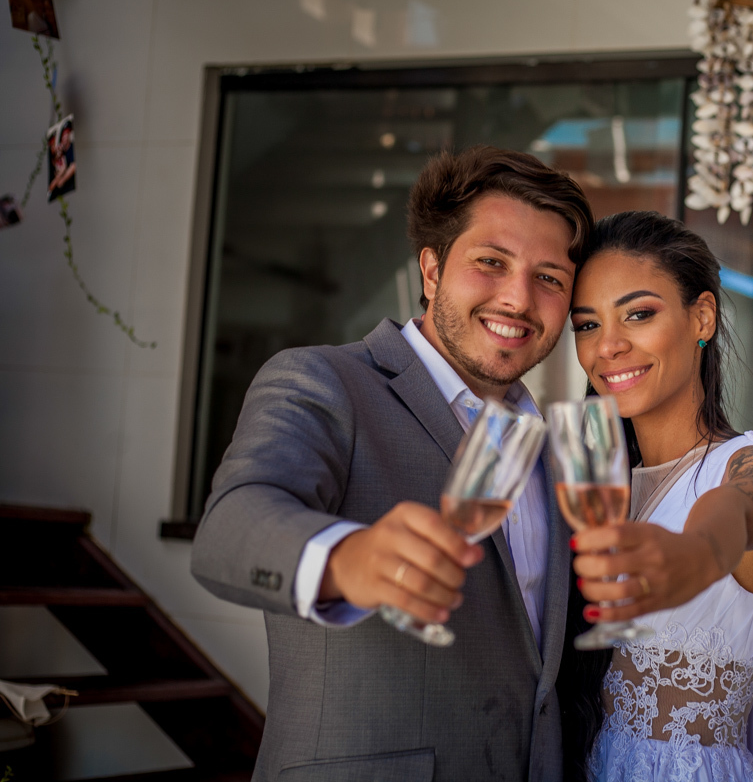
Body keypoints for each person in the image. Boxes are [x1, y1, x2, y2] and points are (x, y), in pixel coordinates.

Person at [191, 145, 593, 780]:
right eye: (491, 263)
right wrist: (348, 559)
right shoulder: (323, 380)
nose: (518, 299)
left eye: (549, 278)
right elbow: (230, 527)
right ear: (431, 271)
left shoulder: (548, 445)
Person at [563, 211, 753, 782]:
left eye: (638, 314)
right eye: (587, 325)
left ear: (702, 317)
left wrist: (692, 556)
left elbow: (736, 512)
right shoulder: (601, 481)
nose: (609, 346)